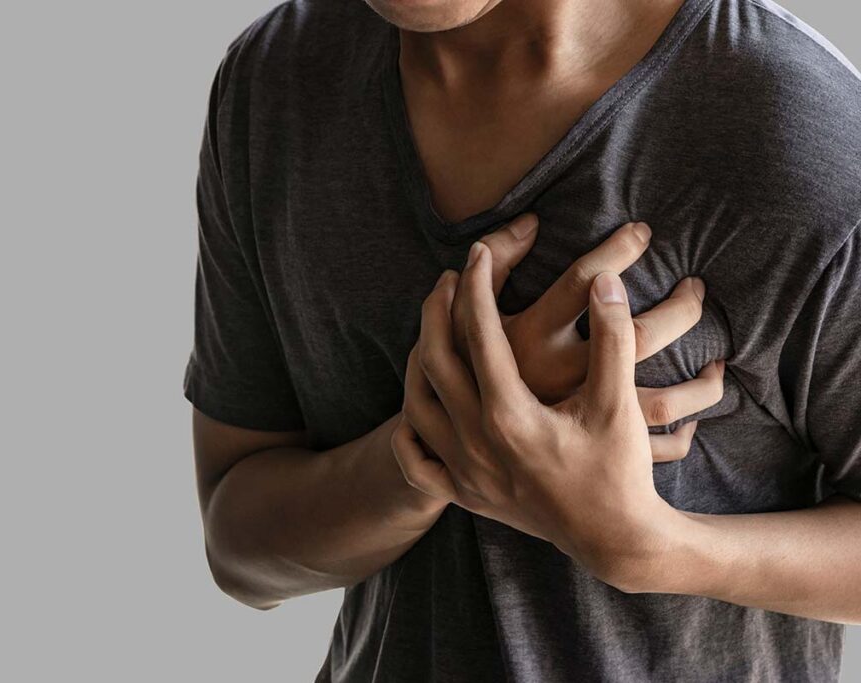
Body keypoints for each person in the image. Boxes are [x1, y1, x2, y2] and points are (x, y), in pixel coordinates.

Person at [183, 0, 861, 680]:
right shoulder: (273, 84)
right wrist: (434, 443)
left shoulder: (799, 134)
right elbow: (237, 548)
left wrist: (654, 549)